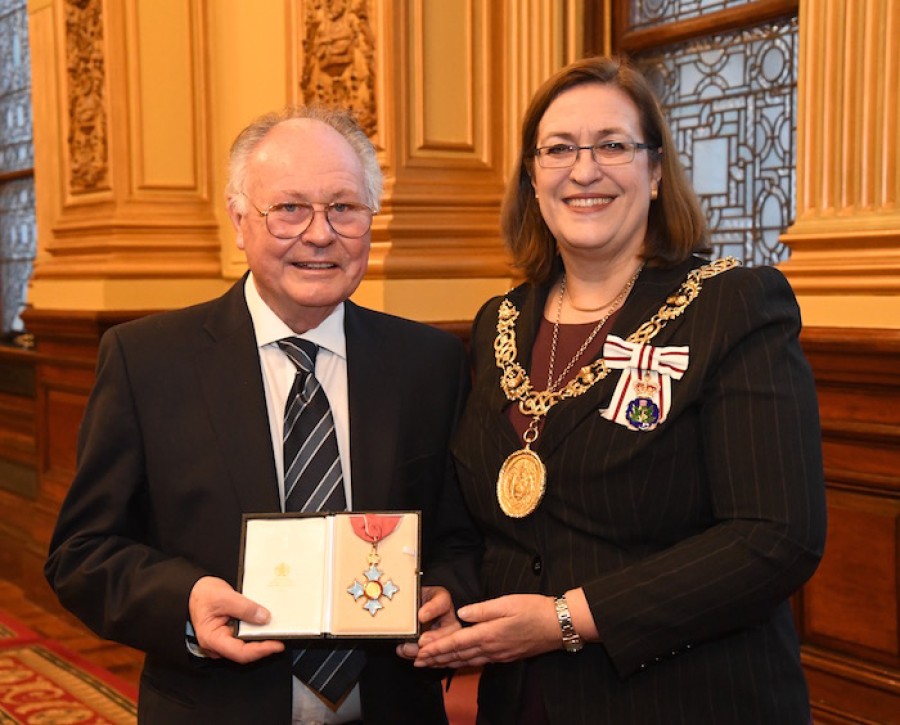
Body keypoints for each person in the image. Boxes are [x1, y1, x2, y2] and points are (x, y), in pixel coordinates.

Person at [404, 55, 826, 724]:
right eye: (559, 149)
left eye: (612, 145)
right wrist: (448, 591)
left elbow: (776, 537)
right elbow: (488, 524)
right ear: (532, 177)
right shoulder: (499, 324)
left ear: (656, 172)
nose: (584, 169)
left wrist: (567, 618)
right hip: (525, 702)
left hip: (689, 696)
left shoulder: (732, 305)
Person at [45, 105, 482, 724]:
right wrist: (186, 601)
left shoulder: (430, 363)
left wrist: (446, 592)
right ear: (239, 219)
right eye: (290, 208)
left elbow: (462, 537)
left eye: (344, 208)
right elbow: (82, 553)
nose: (320, 233)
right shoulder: (148, 361)